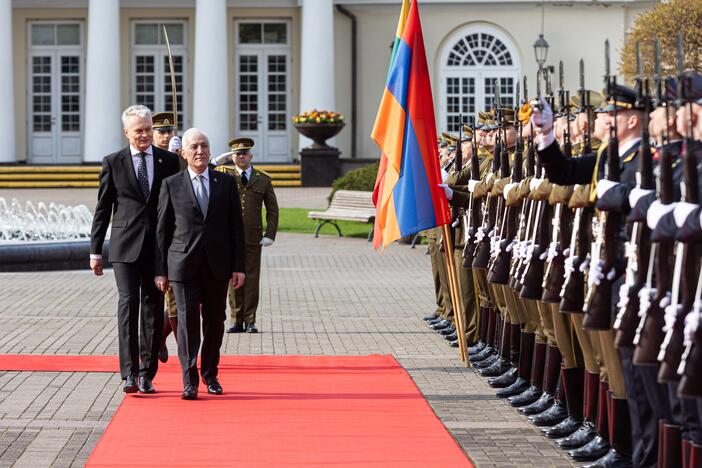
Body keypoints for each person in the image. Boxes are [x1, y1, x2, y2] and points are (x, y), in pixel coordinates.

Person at [90, 104, 180, 394]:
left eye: (148, 129)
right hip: (125, 246)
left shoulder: (168, 161)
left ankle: (146, 373)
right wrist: (95, 251)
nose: (144, 134)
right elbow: (103, 209)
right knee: (128, 306)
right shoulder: (113, 162)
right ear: (127, 132)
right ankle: (128, 372)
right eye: (138, 130)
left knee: (153, 309)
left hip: (157, 248)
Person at [155, 128, 246, 400]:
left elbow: (236, 229)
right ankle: (189, 380)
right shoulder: (172, 184)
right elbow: (163, 231)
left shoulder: (226, 183)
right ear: (183, 152)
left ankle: (210, 373)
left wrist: (239, 266)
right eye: (193, 146)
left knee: (216, 322)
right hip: (182, 266)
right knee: (186, 322)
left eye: (204, 146)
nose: (200, 151)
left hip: (218, 266)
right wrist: (160, 270)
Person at [215, 138, 279, 334]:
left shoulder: (262, 179)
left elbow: (272, 209)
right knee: (233, 279)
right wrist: (216, 162)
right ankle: (236, 319)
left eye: (244, 153)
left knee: (251, 279)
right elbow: (202, 174)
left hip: (252, 237)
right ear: (231, 156)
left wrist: (270, 234)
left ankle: (250, 319)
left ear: (250, 155)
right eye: (236, 154)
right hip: (229, 238)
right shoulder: (223, 175)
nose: (240, 157)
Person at [150, 111, 183, 364]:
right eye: (161, 132)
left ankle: (165, 340)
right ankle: (156, 340)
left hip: (178, 237)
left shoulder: (177, 158)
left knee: (177, 295)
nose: (166, 135)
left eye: (170, 131)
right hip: (151, 237)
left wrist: (179, 159)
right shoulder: (149, 160)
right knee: (157, 297)